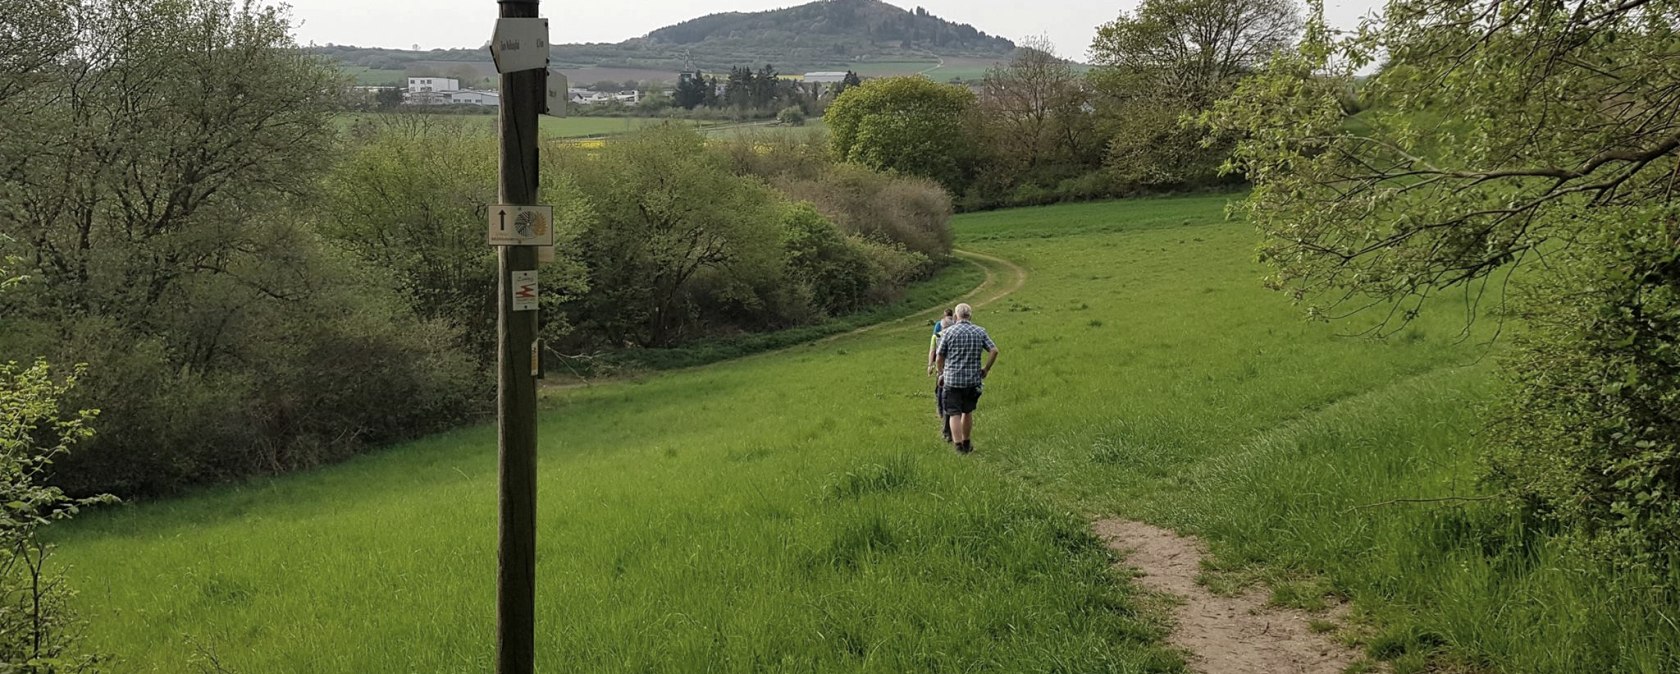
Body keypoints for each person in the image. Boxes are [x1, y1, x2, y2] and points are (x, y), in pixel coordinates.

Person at [935, 303, 999, 454]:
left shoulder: (948, 332)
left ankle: (958, 446)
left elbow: (939, 358)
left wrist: (941, 373)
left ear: (956, 316)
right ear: (970, 315)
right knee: (967, 411)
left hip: (952, 380)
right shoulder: (980, 331)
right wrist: (986, 369)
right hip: (972, 380)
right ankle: (966, 442)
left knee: (954, 413)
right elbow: (994, 351)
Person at [927, 308, 957, 442]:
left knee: (942, 394)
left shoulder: (937, 336)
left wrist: (932, 366)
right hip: (954, 370)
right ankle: (950, 431)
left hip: (944, 370)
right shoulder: (956, 336)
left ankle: (947, 430)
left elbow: (934, 353)